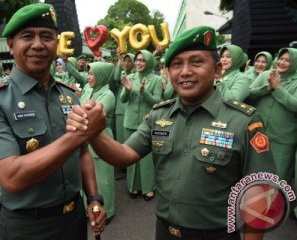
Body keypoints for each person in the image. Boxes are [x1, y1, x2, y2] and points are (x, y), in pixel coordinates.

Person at [67, 26, 276, 240]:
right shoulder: (159, 115)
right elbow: (123, 154)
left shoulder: (243, 121)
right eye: (176, 64)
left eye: (196, 62)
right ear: (169, 72)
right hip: (164, 231)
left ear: (217, 70)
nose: (185, 71)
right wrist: (93, 132)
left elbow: (261, 197)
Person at [0, 3, 106, 240]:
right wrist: (77, 135)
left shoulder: (69, 95)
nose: (38, 44)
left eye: (46, 36)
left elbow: (82, 153)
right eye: (27, 36)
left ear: (56, 44)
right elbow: (11, 176)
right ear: (11, 45)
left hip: (75, 220)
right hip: (28, 227)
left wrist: (94, 198)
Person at [249, 47, 297, 185]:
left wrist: (278, 88)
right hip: (258, 134)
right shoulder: (266, 75)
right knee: (255, 176)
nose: (282, 62)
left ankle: (278, 207)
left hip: (283, 140)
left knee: (277, 180)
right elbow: (249, 94)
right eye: (281, 58)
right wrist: (267, 88)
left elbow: (295, 105)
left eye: (288, 60)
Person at [121, 49, 163, 201]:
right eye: (137, 60)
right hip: (130, 122)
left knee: (146, 159)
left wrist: (144, 92)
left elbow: (158, 102)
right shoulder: (130, 77)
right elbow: (123, 100)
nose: (138, 62)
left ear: (149, 61)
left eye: (142, 60)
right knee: (129, 156)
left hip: (147, 123)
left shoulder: (156, 79)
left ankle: (148, 188)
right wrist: (127, 90)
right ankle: (134, 187)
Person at [80, 62, 116, 223]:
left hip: (102, 139)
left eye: (93, 73)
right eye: (89, 73)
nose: (89, 77)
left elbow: (94, 115)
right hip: (84, 137)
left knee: (103, 178)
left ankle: (106, 211)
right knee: (86, 176)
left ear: (102, 75)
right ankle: (88, 210)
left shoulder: (108, 94)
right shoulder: (87, 88)